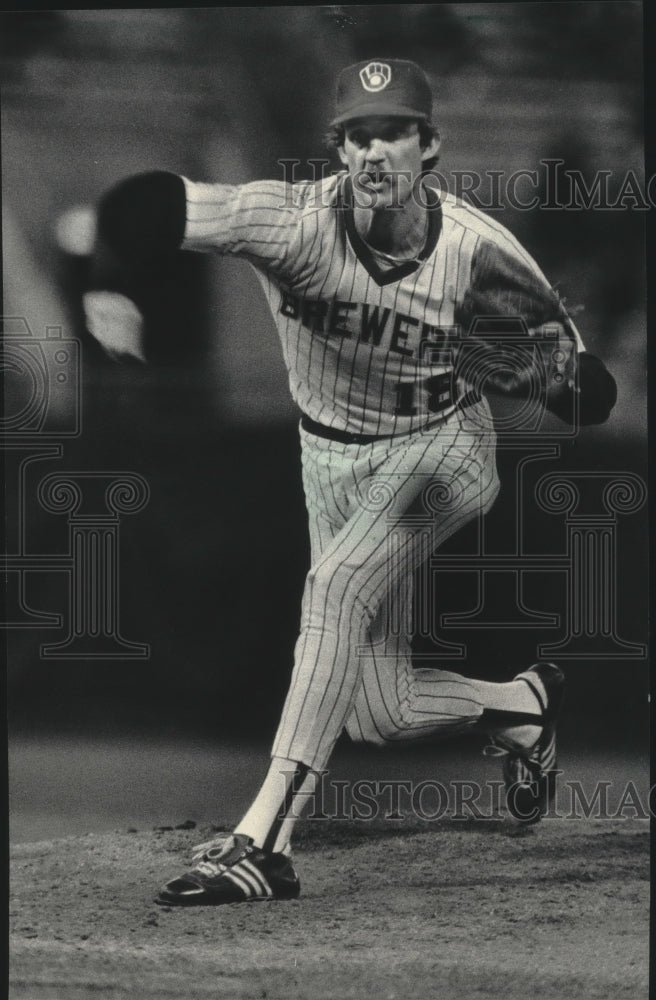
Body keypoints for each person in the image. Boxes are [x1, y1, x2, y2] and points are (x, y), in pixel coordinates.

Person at [83, 59, 617, 906]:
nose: (373, 151)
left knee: (332, 589)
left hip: (444, 452)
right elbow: (146, 205)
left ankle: (261, 843)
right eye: (357, 134)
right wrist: (109, 280)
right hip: (329, 459)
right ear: (338, 148)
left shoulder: (483, 255)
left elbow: (589, 395)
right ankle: (519, 702)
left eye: (393, 132)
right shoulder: (288, 223)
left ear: (429, 145)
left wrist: (508, 361)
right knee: (380, 710)